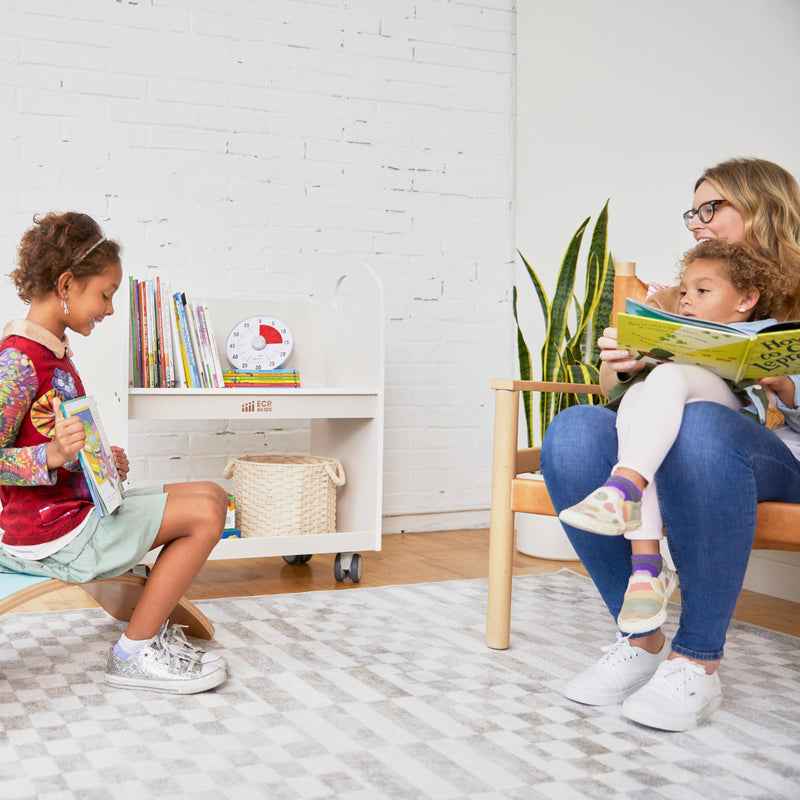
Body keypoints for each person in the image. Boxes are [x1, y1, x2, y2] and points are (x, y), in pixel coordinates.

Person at [540, 157, 800, 732]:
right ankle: (642, 636)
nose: (695, 222)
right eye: (692, 211)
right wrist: (623, 365)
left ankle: (697, 664)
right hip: (681, 433)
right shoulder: (683, 292)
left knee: (704, 426)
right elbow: (616, 396)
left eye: (712, 208)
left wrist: (786, 385)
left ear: (764, 208)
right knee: (574, 431)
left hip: (779, 452)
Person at [0, 211, 229, 694]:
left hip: (74, 514)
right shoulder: (19, 360)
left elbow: (55, 436)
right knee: (208, 513)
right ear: (67, 284)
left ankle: (145, 636)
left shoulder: (54, 351)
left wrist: (96, 461)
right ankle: (133, 655)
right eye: (104, 295)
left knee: (211, 493)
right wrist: (53, 457)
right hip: (52, 535)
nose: (108, 310)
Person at [558, 239, 797, 636]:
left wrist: (786, 385)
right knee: (639, 392)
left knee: (666, 378)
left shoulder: (772, 335)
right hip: (682, 416)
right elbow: (621, 388)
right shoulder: (680, 328)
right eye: (685, 291)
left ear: (746, 299)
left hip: (740, 425)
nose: (687, 300)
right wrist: (628, 362)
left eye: (702, 291)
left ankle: (624, 489)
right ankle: (646, 569)